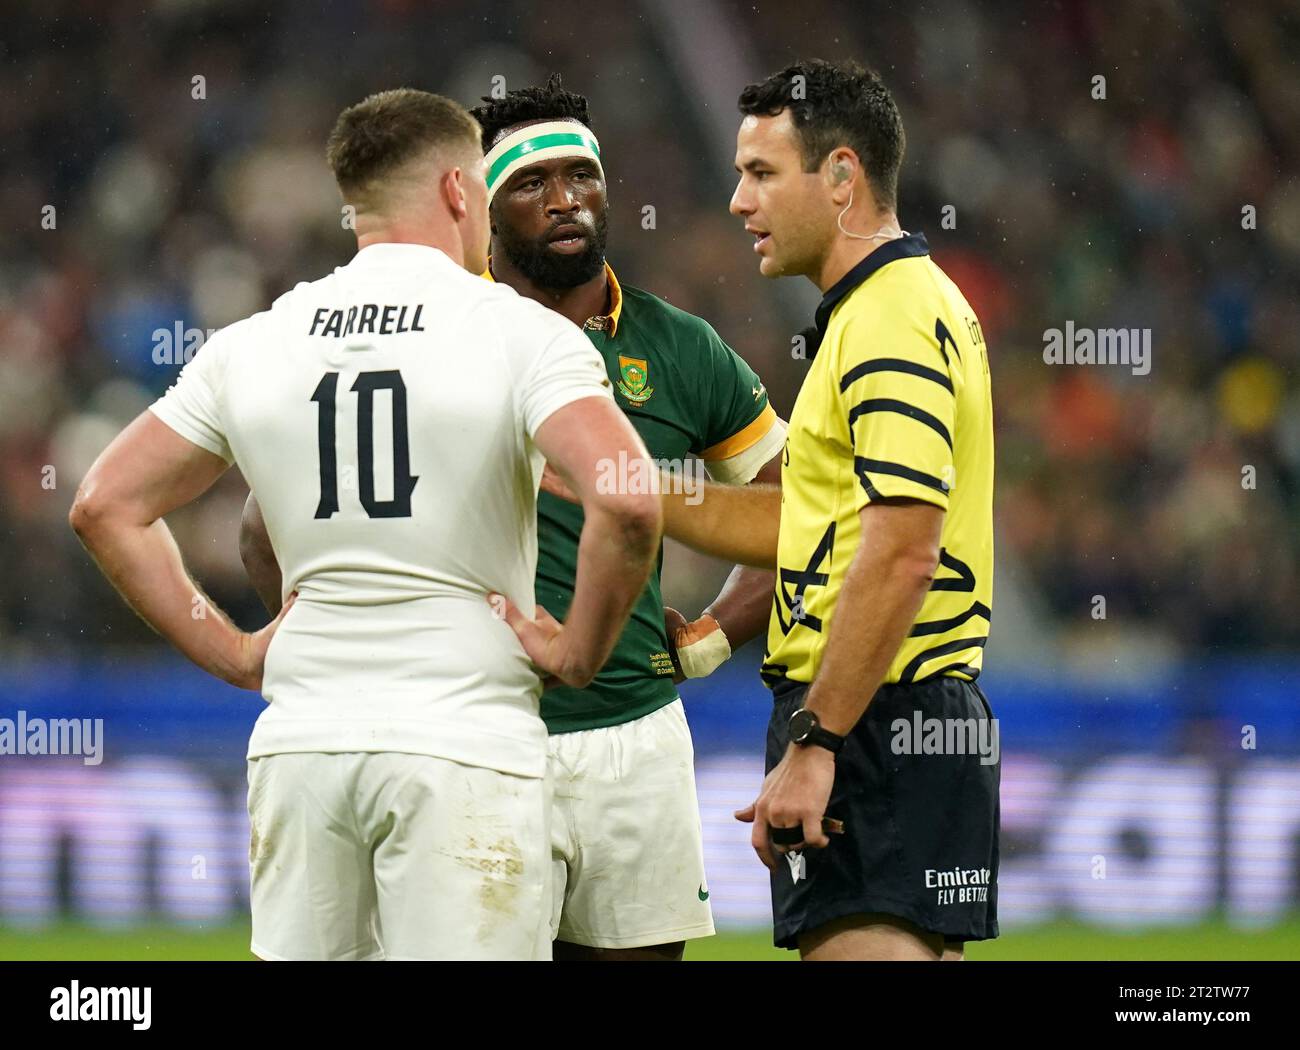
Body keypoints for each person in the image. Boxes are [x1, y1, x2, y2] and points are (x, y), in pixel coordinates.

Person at [69, 88, 660, 960]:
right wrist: (578, 650)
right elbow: (629, 494)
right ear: (463, 192)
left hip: (304, 748)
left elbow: (104, 505)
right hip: (461, 743)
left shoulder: (257, 340)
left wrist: (233, 650)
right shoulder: (518, 334)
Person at [240, 74, 787, 961]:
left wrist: (718, 634)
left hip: (630, 733)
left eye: (583, 176)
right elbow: (266, 527)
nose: (566, 200)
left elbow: (800, 511)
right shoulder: (438, 333)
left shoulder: (683, 347)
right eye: (532, 183)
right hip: (472, 728)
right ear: (480, 203)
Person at [641, 59, 999, 960]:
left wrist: (817, 739)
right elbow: (800, 527)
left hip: (875, 720)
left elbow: (903, 551)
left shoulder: (886, 319)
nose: (737, 201)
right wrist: (639, 490)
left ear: (842, 178)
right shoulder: (891, 308)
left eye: (762, 173)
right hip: (894, 717)